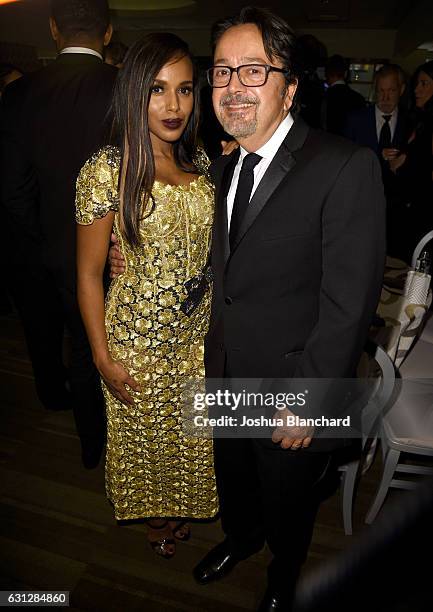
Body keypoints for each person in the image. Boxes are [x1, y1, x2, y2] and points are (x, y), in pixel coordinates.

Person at [110, 7, 385, 610]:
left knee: (287, 496)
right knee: (235, 480)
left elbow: (350, 303)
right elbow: (220, 266)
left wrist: (309, 401)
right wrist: (121, 255)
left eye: (254, 71)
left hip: (292, 384)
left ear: (289, 88)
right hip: (221, 368)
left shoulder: (343, 165)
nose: (233, 86)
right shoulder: (221, 163)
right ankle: (241, 539)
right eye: (223, 72)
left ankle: (284, 573)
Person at [75, 33, 218, 558]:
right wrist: (100, 356)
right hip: (135, 343)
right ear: (134, 92)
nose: (174, 105)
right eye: (158, 90)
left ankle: (178, 512)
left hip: (195, 343)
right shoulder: (107, 171)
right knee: (145, 449)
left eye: (184, 90)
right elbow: (89, 274)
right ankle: (159, 521)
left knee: (186, 444)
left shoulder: (202, 163)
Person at [0, 0, 117, 468]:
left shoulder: (19, 94)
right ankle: (111, 447)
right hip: (113, 249)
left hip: (48, 251)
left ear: (53, 29)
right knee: (107, 349)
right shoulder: (124, 85)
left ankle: (85, 438)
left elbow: (11, 190)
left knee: (67, 345)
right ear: (107, 33)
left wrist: (48, 237)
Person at [345, 64, 409, 257]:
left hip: (399, 211)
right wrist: (376, 155)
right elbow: (346, 157)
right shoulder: (355, 119)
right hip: (360, 204)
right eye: (381, 91)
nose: (385, 97)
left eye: (391, 90)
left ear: (402, 90)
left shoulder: (413, 122)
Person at [387, 60, 433, 259]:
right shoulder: (419, 120)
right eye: (417, 84)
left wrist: (403, 163)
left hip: (423, 209)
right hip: (408, 208)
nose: (417, 90)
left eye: (424, 84)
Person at [321, 54, 365, 136]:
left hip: (326, 144)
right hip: (350, 146)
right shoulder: (359, 99)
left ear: (327, 74)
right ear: (345, 73)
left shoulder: (321, 98)